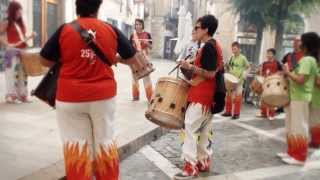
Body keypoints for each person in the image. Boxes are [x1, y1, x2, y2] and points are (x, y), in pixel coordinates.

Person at [39, 0, 138, 179]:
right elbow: (131, 57)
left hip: (70, 98)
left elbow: (44, 60)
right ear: (97, 7)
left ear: (77, 7)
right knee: (105, 143)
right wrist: (113, 58)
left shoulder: (65, 30)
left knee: (77, 146)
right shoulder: (111, 29)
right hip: (103, 98)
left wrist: (68, 58)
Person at [173, 15, 223, 179]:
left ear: (206, 29)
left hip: (201, 95)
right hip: (209, 96)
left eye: (197, 27)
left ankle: (190, 167)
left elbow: (210, 73)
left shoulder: (209, 47)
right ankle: (203, 161)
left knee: (189, 128)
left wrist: (191, 68)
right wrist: (189, 65)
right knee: (204, 130)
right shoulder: (213, 46)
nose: (195, 30)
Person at [279, 32, 319, 165]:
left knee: (299, 126)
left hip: (301, 97)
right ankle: (292, 152)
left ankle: (300, 157)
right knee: (292, 126)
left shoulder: (308, 60)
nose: (299, 43)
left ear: (306, 44)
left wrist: (287, 72)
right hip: (296, 96)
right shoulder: (308, 59)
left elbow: (301, 79)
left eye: (301, 41)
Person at [0, 1, 36, 103]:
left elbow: (22, 38)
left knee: (23, 74)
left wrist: (30, 37)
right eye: (18, 12)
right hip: (12, 52)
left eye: (21, 12)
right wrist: (7, 44)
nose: (20, 14)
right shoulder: (6, 22)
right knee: (12, 74)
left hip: (22, 51)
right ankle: (12, 96)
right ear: (12, 11)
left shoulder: (20, 23)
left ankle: (23, 95)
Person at [222, 41, 249, 119]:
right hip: (231, 80)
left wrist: (245, 74)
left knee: (238, 97)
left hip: (239, 80)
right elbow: (228, 67)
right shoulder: (231, 57)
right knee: (228, 96)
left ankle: (236, 114)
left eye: (235, 49)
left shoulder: (243, 58)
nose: (233, 50)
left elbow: (248, 67)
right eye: (232, 49)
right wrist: (226, 66)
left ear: (239, 49)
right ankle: (228, 112)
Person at [129, 19, 153, 102]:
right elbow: (129, 47)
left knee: (146, 77)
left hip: (144, 59)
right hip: (135, 58)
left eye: (139, 24)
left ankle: (150, 97)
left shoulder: (147, 35)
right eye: (136, 24)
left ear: (142, 25)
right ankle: (135, 96)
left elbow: (151, 47)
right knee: (134, 77)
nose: (138, 26)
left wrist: (147, 43)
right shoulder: (132, 35)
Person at [257, 48, 282, 120]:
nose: (268, 55)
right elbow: (262, 73)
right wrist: (259, 73)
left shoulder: (277, 63)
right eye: (267, 53)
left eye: (270, 53)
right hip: (265, 82)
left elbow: (281, 72)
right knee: (263, 98)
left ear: (273, 55)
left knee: (272, 98)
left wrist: (274, 74)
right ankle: (263, 113)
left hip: (273, 83)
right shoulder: (264, 63)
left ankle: (272, 114)